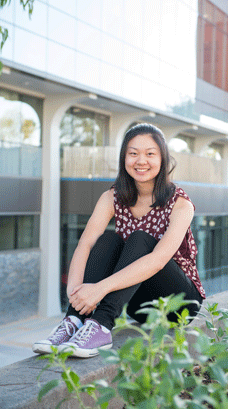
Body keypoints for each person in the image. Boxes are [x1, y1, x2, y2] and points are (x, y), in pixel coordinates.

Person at [32, 123, 206, 358]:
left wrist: (99, 290)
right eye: (133, 153)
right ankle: (74, 321)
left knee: (140, 240)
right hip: (139, 303)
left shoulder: (180, 204)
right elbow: (86, 244)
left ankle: (102, 325)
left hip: (179, 305)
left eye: (150, 154)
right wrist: (77, 295)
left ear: (162, 159)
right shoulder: (111, 197)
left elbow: (157, 260)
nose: (140, 161)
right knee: (107, 240)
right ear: (124, 158)